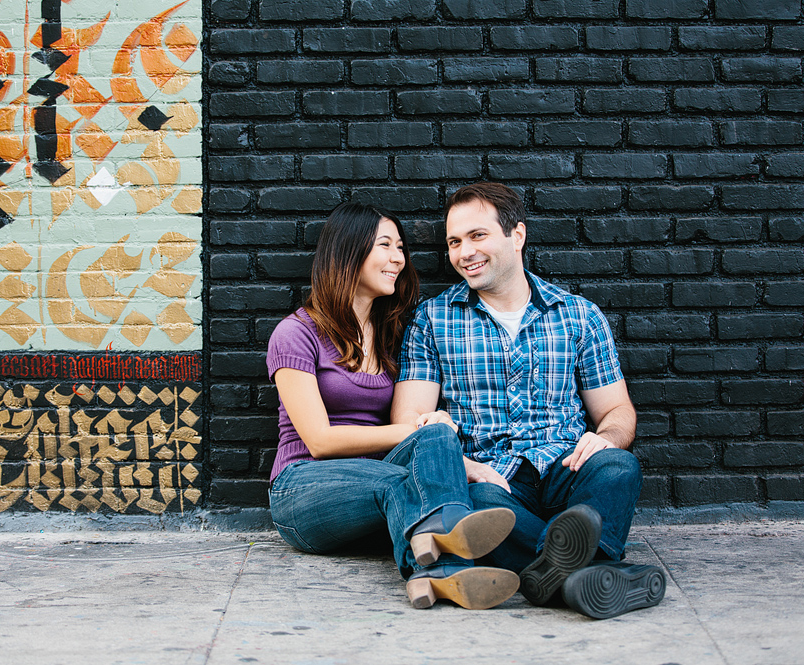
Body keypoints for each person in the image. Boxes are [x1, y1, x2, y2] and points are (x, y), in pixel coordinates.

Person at [392, 182, 666, 620]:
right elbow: (409, 419)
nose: (464, 253)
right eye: (454, 242)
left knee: (619, 467)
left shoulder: (579, 315)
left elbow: (617, 412)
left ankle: (551, 572)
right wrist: (464, 468)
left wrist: (608, 438)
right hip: (491, 476)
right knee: (478, 513)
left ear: (516, 235)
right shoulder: (432, 319)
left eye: (477, 236)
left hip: (567, 467)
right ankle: (590, 575)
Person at [267, 202, 523, 610]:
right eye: (385, 245)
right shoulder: (296, 333)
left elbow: (418, 433)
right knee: (398, 481)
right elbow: (318, 441)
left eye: (400, 247)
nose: (398, 259)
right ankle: (456, 548)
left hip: (378, 479)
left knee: (437, 430)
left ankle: (437, 575)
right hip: (303, 489)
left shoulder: (391, 335)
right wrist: (414, 434)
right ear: (348, 253)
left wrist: (445, 444)